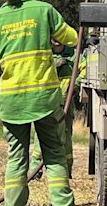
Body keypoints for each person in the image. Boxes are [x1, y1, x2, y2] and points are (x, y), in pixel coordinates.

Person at [0, 0, 81, 206]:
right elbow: (72, 37)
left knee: (16, 159)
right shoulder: (43, 10)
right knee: (54, 155)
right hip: (44, 98)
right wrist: (49, 41)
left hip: (12, 101)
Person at [31, 40, 81, 178]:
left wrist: (74, 85)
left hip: (65, 102)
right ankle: (35, 171)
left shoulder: (74, 54)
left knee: (65, 136)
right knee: (40, 135)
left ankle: (66, 170)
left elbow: (85, 68)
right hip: (46, 101)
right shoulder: (44, 52)